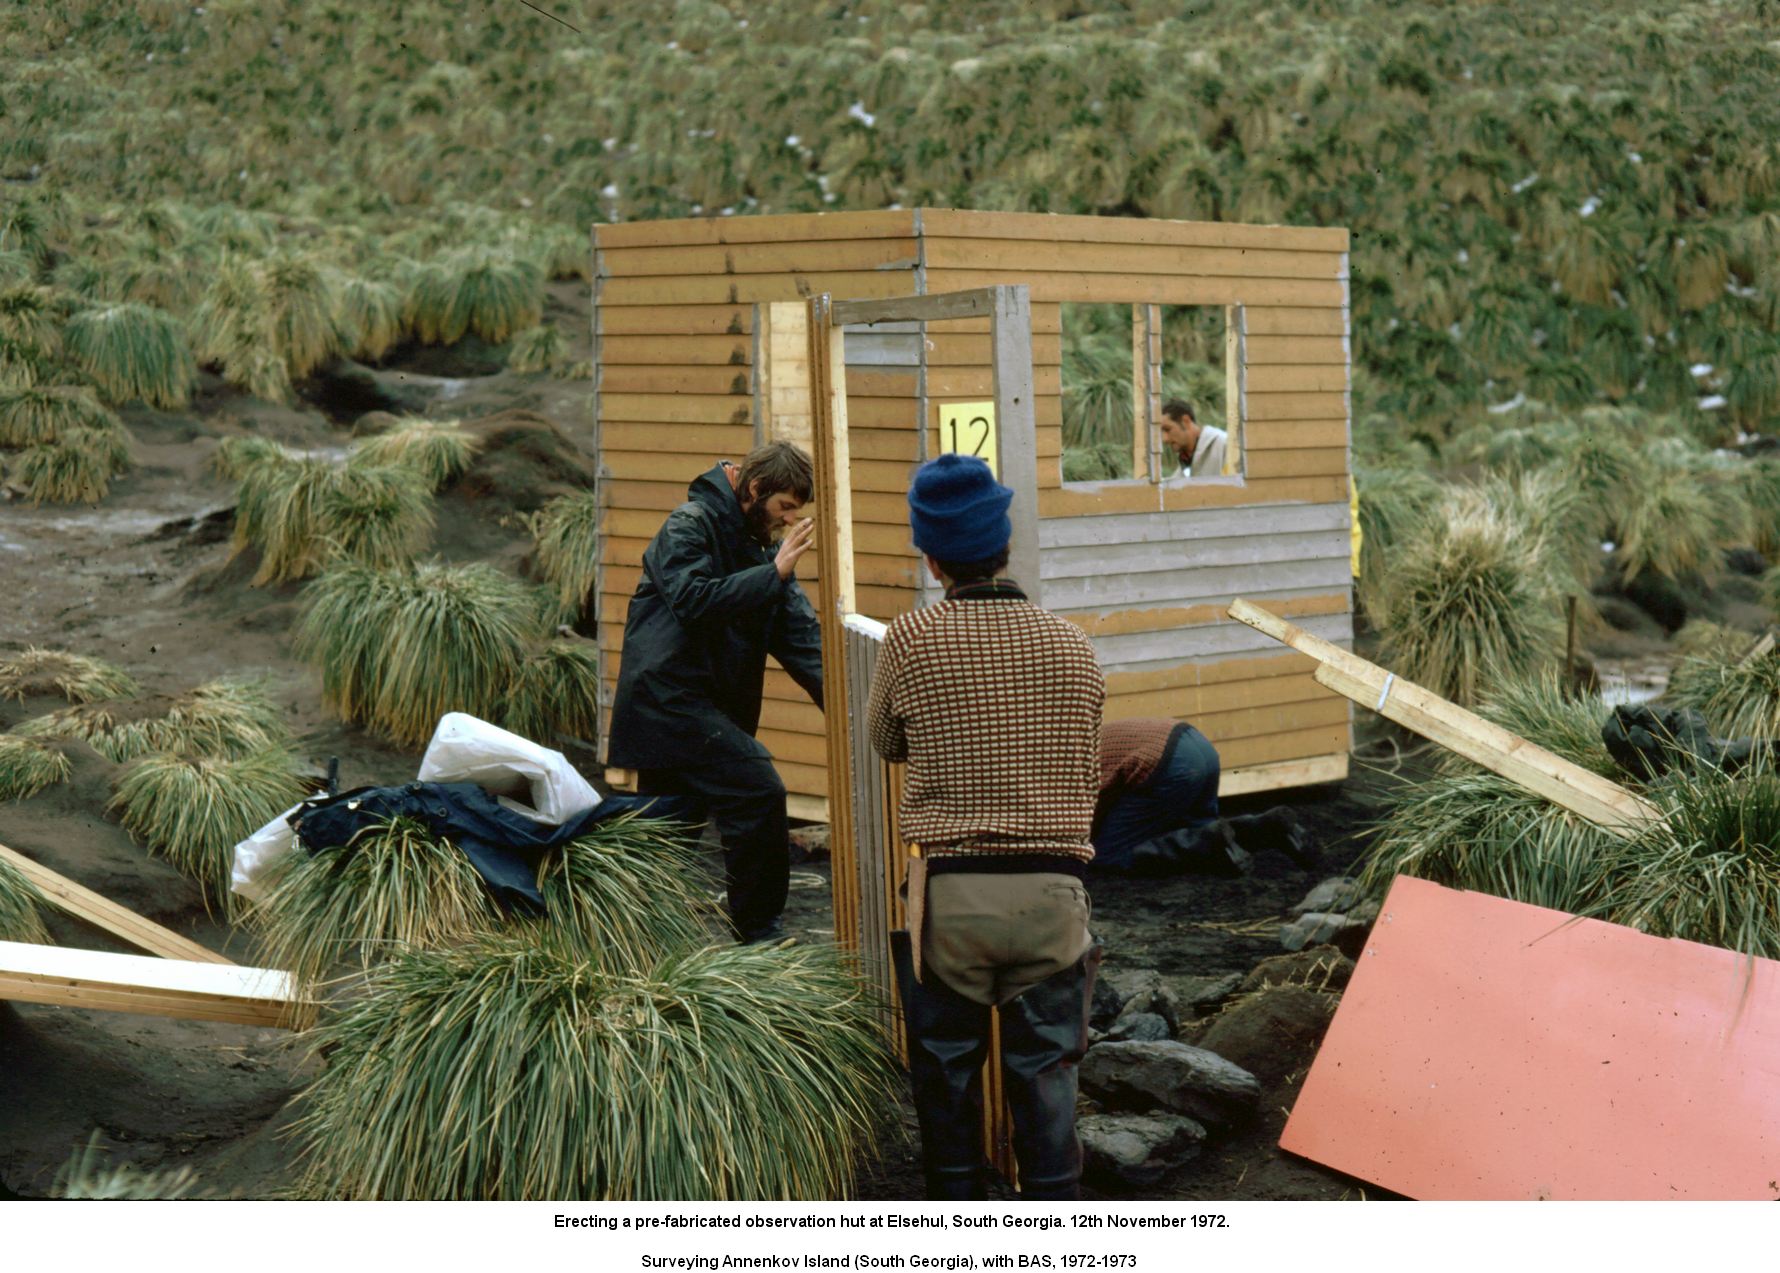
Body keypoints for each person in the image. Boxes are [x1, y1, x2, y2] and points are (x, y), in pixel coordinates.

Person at [867, 453, 1105, 1202]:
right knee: (1047, 1076)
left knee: (944, 1072)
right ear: (1004, 543)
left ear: (933, 558)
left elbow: (885, 742)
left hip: (951, 900)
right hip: (1053, 895)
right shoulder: (1072, 644)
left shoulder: (910, 638)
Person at [605, 441, 822, 945]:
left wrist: (858, 711)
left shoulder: (765, 548)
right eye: (785, 507)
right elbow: (692, 599)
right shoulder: (689, 524)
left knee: (667, 830)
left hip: (701, 712)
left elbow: (801, 643)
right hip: (667, 703)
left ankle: (642, 941)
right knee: (758, 791)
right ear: (753, 490)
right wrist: (774, 574)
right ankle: (759, 935)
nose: (791, 521)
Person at [1094, 717, 1313, 876]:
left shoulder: (1064, 767)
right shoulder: (1082, 741)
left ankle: (1206, 843)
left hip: (1168, 763)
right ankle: (1264, 828)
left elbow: (1088, 812)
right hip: (1195, 743)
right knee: (1201, 827)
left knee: (1107, 856)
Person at [1159, 397, 1229, 478]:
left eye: (1167, 429)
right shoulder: (1182, 467)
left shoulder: (1225, 445)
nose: (1164, 439)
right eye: (1161, 432)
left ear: (1186, 421)